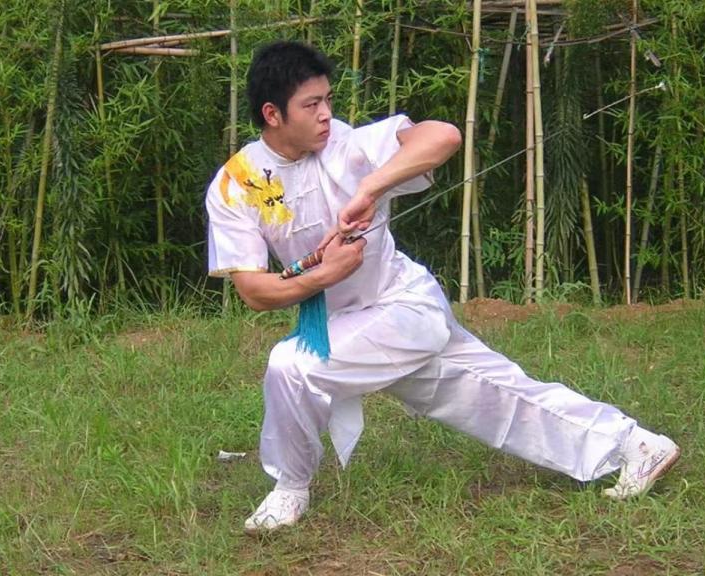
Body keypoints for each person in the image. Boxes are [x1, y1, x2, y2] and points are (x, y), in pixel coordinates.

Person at [205, 41, 679, 534]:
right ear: (272, 114)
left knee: (291, 365)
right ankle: (635, 445)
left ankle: (289, 489)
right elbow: (254, 291)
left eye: (328, 100)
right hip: (344, 324)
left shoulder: (347, 146)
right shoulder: (236, 182)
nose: (326, 114)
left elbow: (443, 136)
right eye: (311, 105)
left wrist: (371, 188)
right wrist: (326, 275)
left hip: (402, 306)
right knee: (496, 393)